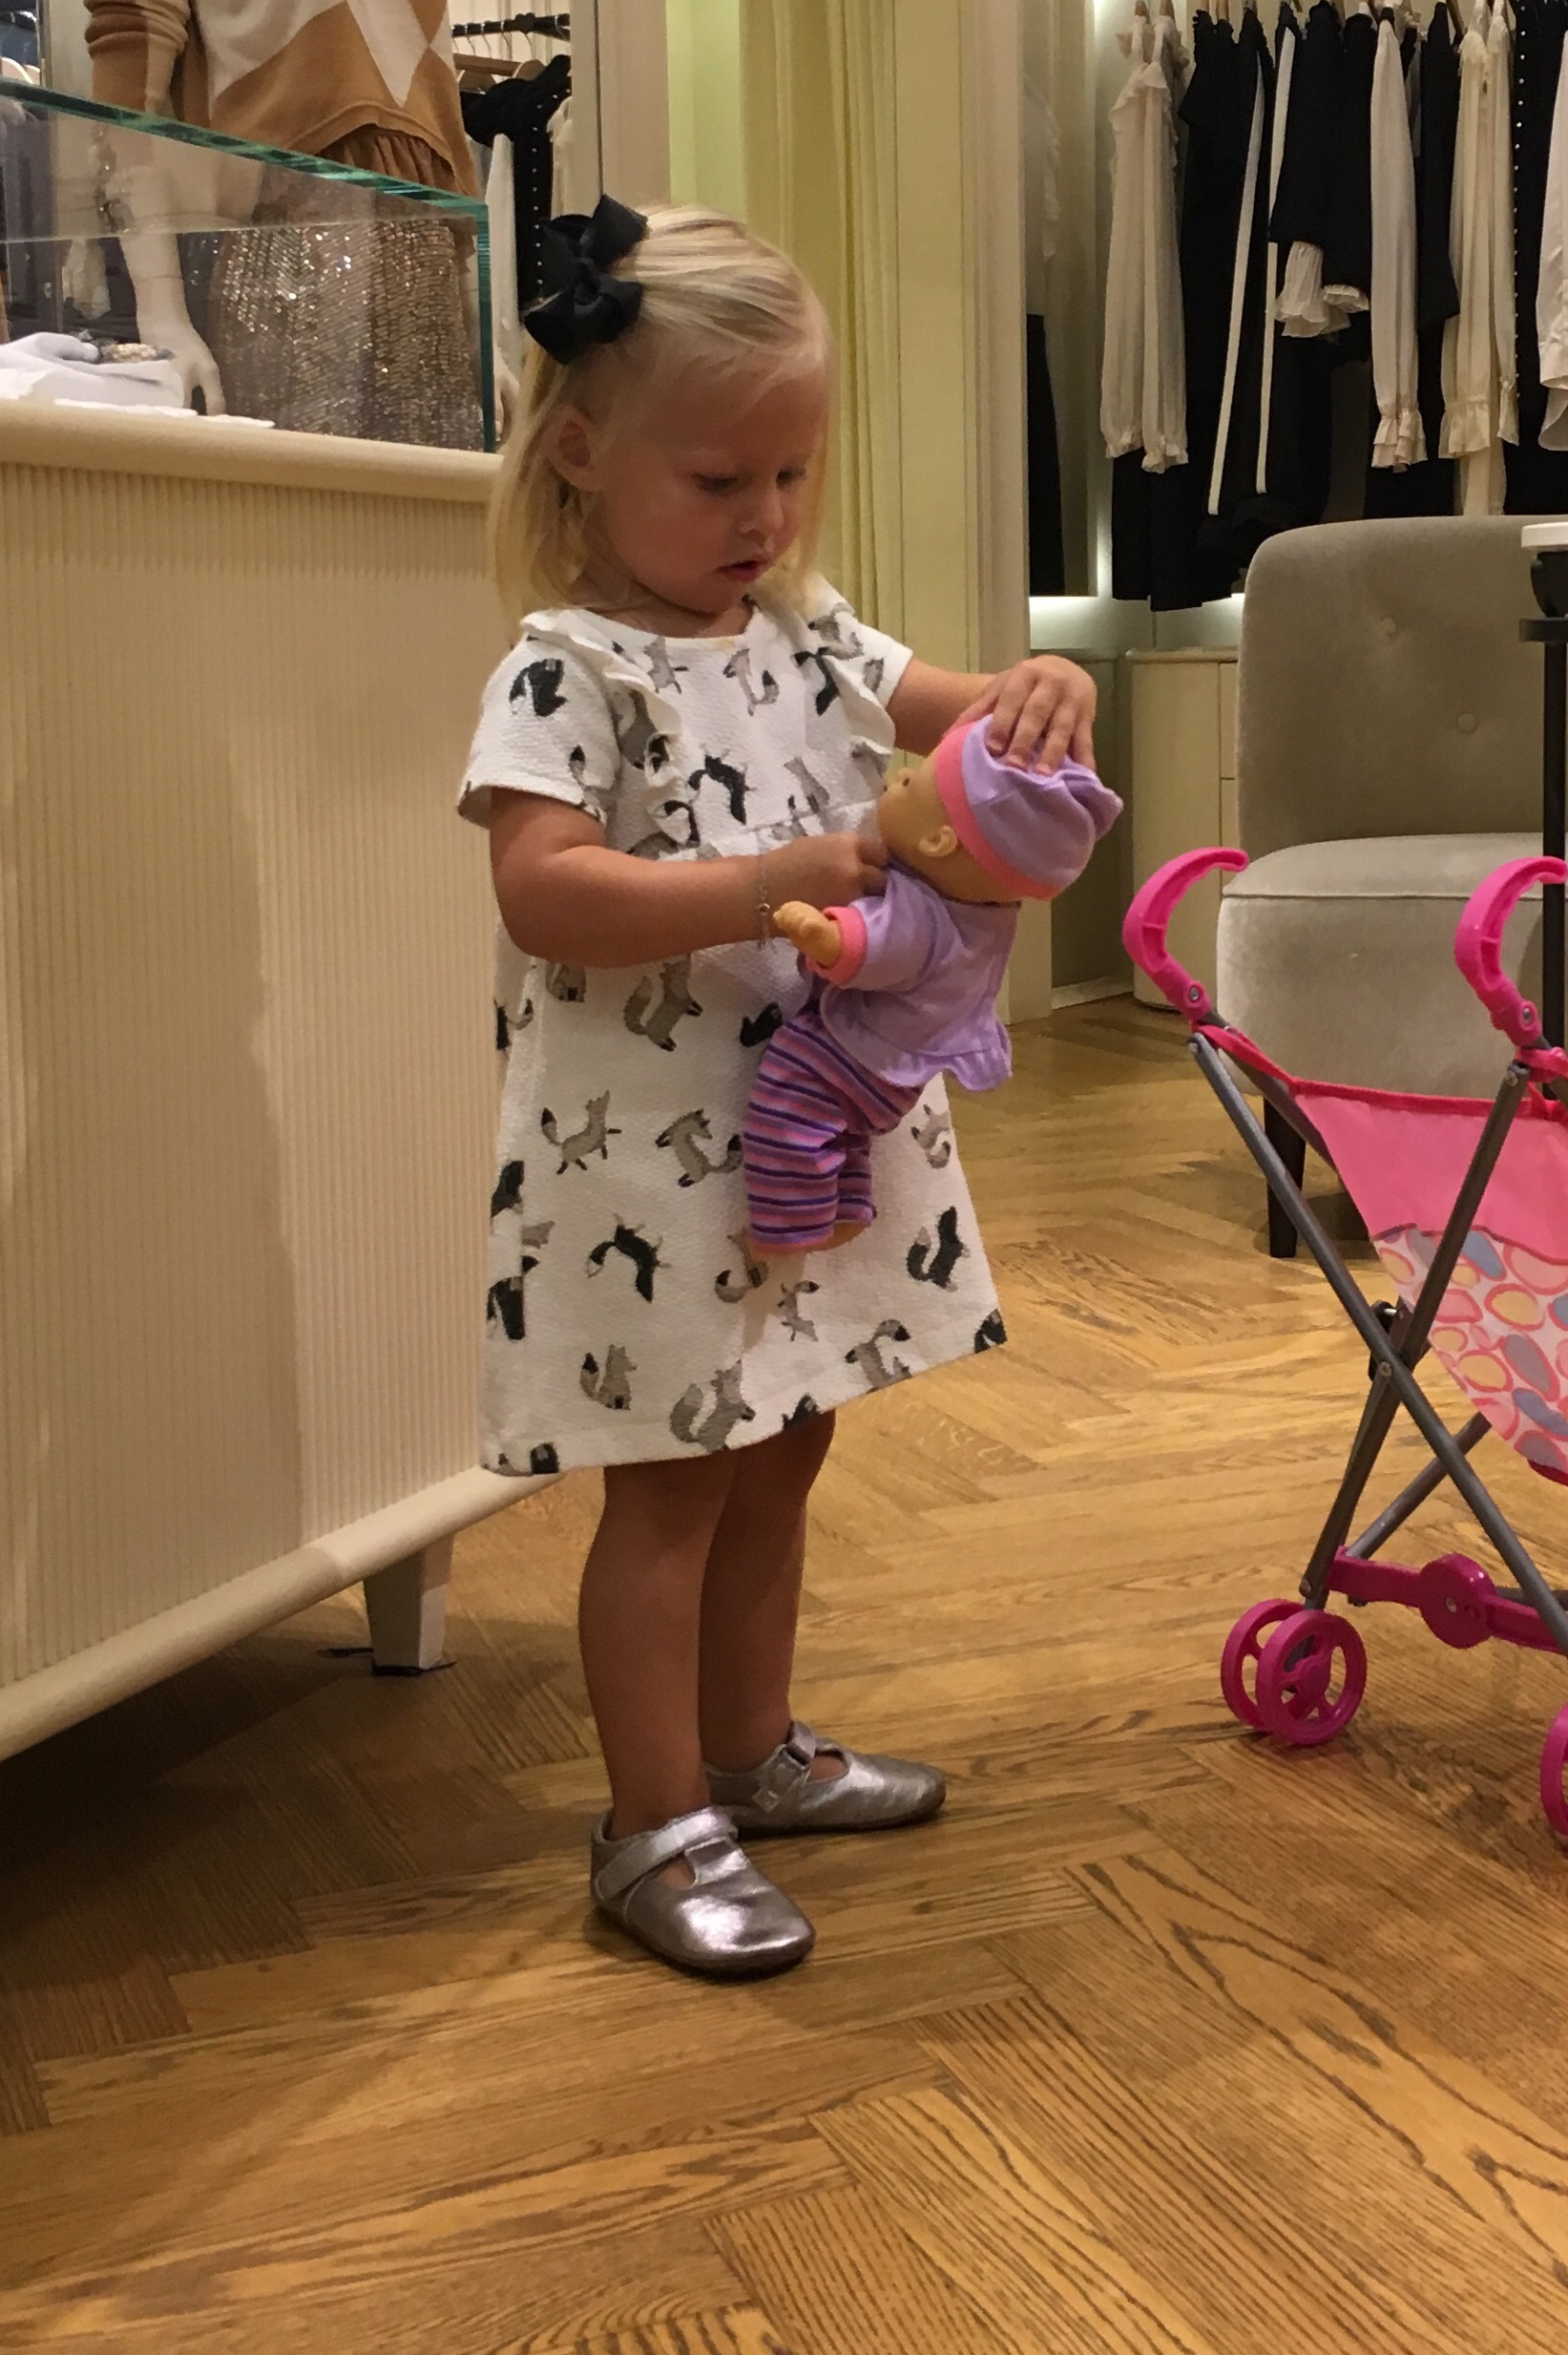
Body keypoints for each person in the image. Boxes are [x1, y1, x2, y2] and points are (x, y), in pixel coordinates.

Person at [460, 196, 1097, 1979]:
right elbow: (542, 892)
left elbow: (970, 715)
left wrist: (1043, 686)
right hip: (647, 1162)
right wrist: (764, 882)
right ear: (581, 456)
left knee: (790, 1435)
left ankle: (751, 1753)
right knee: (672, 1484)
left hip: (814, 1126)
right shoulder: (567, 667)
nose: (764, 518)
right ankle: (651, 1822)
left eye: (793, 475)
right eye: (719, 479)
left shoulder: (810, 635)